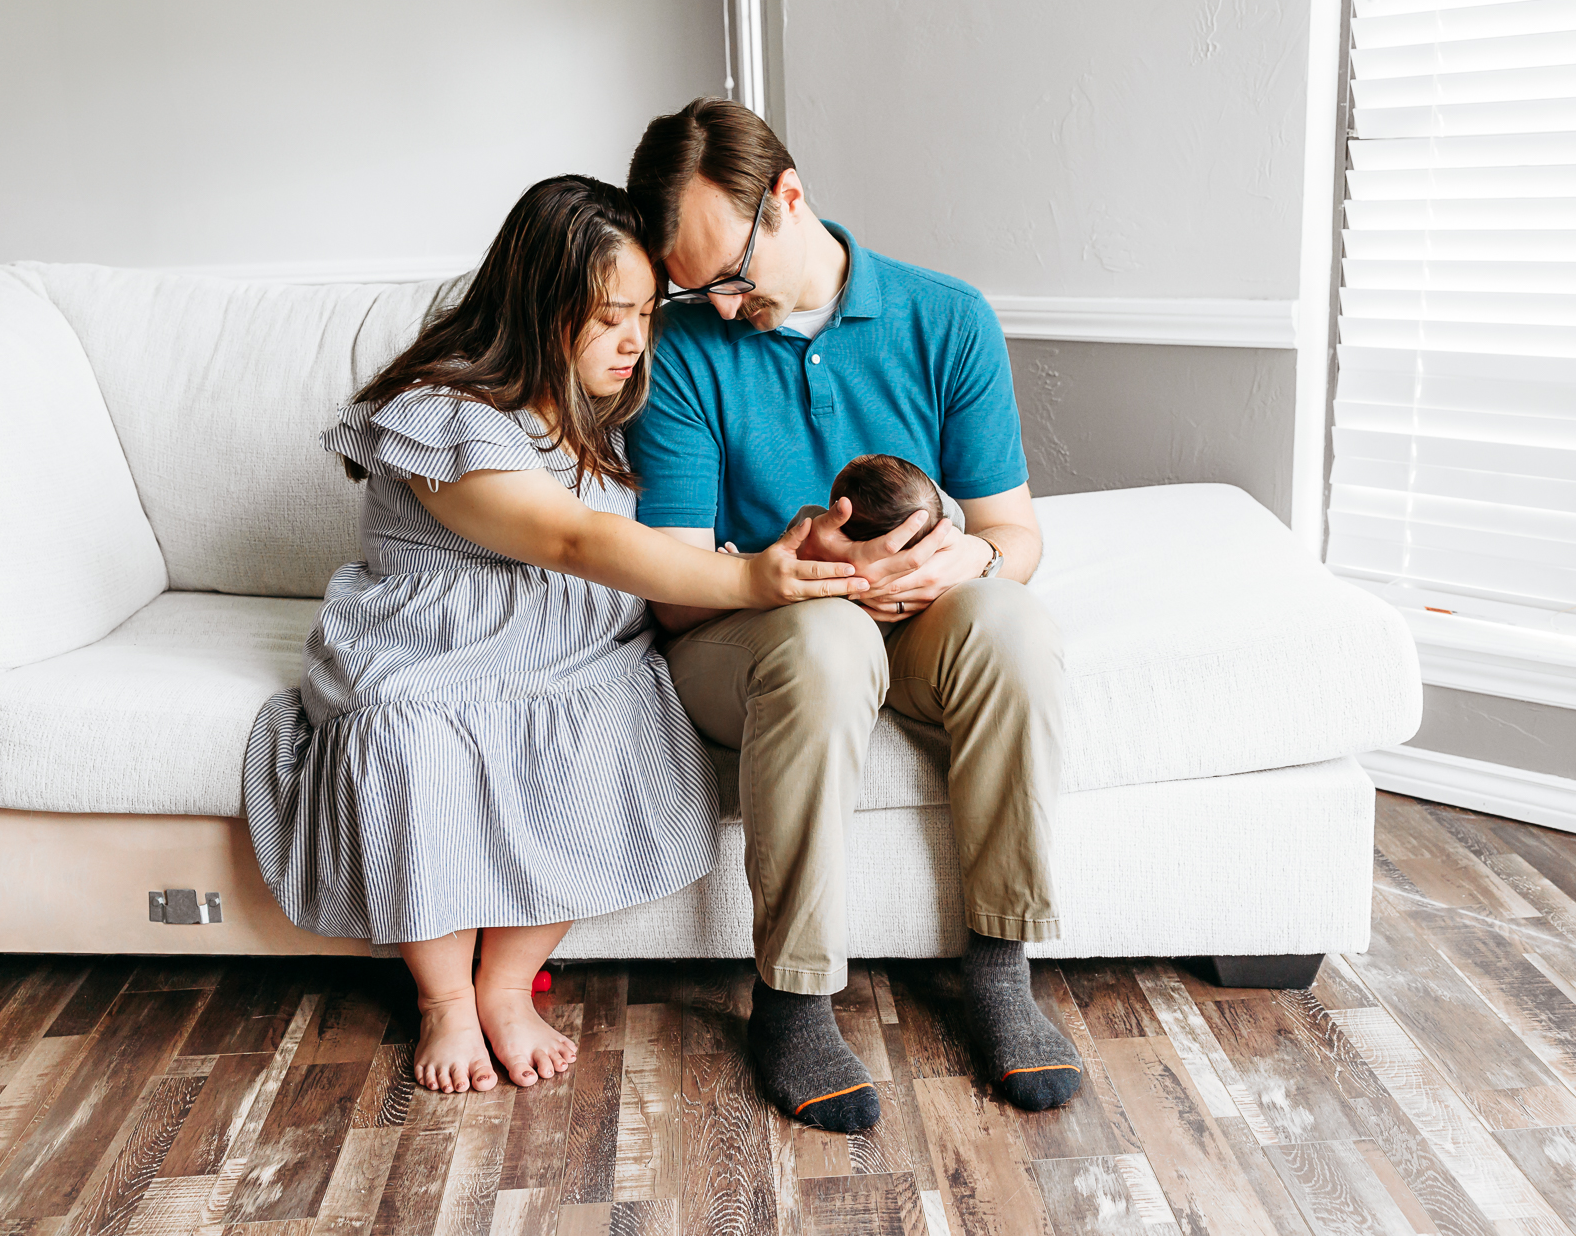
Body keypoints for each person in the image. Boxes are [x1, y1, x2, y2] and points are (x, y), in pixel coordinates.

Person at [243, 174, 866, 1097]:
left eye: (647, 314)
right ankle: (445, 998)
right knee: (409, 728)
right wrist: (747, 577)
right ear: (540, 305)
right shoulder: (446, 411)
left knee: (619, 711)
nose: (634, 340)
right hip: (437, 641)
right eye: (610, 316)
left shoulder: (594, 413)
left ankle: (504, 982)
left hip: (568, 651)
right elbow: (575, 537)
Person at [625, 99, 1080, 1132]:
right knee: (827, 640)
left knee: (1013, 623)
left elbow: (1014, 535)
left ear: (788, 200)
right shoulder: (684, 349)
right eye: (693, 284)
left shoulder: (945, 317)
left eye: (731, 274)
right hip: (748, 634)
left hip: (915, 628)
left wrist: (971, 555)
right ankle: (791, 999)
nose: (718, 302)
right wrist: (789, 572)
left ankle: (1000, 968)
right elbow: (675, 585)